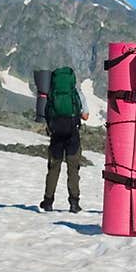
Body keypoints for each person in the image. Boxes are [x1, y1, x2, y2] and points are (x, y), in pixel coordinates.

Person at [39, 67, 89, 213]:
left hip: (56, 135)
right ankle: (74, 203)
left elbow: (46, 113)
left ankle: (48, 202)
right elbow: (85, 116)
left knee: (53, 168)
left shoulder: (52, 93)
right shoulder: (76, 93)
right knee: (73, 169)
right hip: (72, 135)